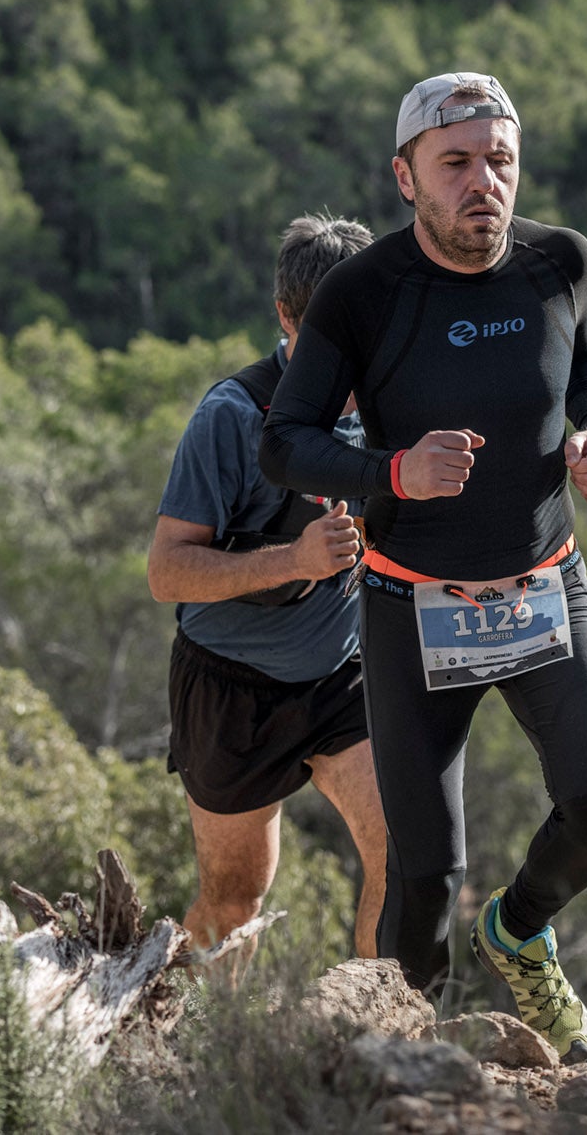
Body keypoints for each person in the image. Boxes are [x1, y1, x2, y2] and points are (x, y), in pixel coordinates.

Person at [260, 73, 587, 1060]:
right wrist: (392, 471)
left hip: (542, 583)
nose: (484, 181)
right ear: (405, 176)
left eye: (500, 160)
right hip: (413, 604)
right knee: (422, 881)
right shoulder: (361, 295)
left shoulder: (561, 263)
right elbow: (285, 443)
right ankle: (400, 1078)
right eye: (456, 162)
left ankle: (517, 931)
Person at [146, 214, 388, 969]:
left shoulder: (392, 407)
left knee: (405, 848)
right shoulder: (231, 418)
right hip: (230, 688)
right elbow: (167, 572)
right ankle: (200, 1041)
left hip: (343, 676)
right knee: (236, 896)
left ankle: (386, 1039)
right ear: (286, 318)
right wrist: (292, 560)